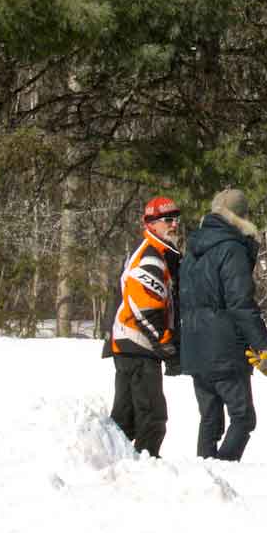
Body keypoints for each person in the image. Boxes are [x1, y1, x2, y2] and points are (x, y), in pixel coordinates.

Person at [178, 188, 267, 461]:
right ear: (240, 217)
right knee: (243, 418)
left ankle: (206, 477)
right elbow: (240, 303)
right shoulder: (232, 248)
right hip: (223, 349)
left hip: (194, 346)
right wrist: (263, 345)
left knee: (209, 420)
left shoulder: (192, 249)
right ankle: (223, 470)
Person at [101, 196, 183, 457]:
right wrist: (166, 345)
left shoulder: (156, 252)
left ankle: (112, 463)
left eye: (175, 220)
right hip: (137, 345)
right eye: (167, 221)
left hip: (129, 344)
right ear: (151, 224)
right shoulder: (150, 256)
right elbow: (144, 309)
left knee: (125, 419)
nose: (173, 226)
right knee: (153, 416)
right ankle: (146, 467)